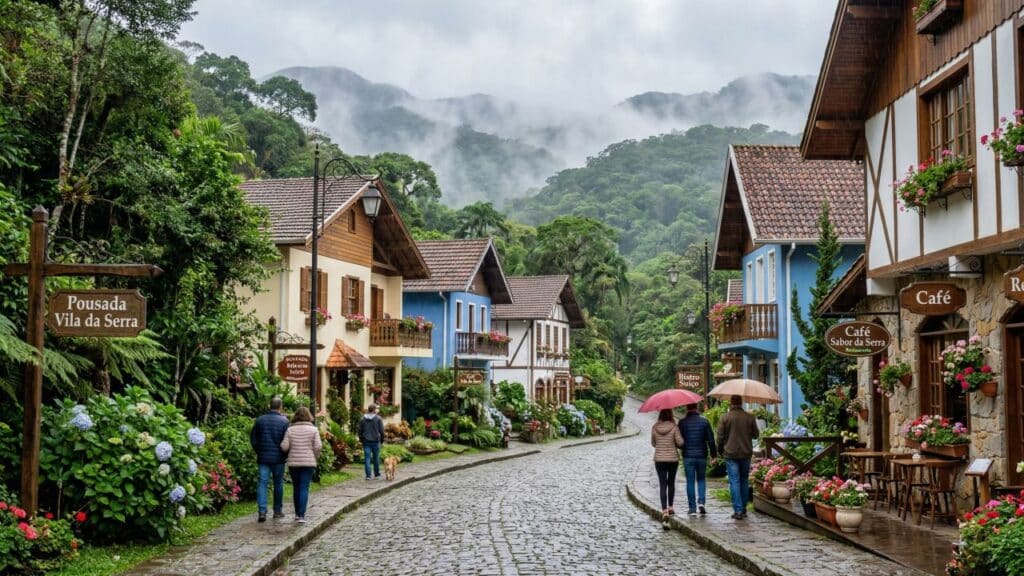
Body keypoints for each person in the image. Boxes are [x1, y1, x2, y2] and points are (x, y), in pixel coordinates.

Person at [716, 395, 759, 519]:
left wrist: (720, 450)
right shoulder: (749, 417)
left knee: (734, 481)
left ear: (731, 403)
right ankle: (744, 508)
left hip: (730, 453)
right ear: (741, 403)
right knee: (744, 480)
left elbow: (719, 437)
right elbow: (756, 435)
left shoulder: (725, 417)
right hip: (746, 452)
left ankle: (738, 510)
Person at [249, 397, 289, 523]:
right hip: (279, 459)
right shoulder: (284, 421)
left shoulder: (260, 420)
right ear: (280, 407)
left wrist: (259, 451)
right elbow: (287, 441)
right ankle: (277, 511)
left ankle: (262, 511)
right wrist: (285, 454)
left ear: (269, 406)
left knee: (262, 483)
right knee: (278, 484)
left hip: (263, 457)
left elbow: (253, 439)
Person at [280, 405, 322, 524]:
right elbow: (318, 446)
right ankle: (302, 515)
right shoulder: (314, 430)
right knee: (304, 487)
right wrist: (315, 457)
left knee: (296, 487)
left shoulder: (290, 429)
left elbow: (284, 446)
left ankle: (297, 514)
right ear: (309, 416)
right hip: (308, 463)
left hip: (294, 463)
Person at [678, 403, 717, 516]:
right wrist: (714, 455)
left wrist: (683, 448)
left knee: (690, 481)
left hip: (688, 456)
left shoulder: (682, 422)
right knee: (701, 479)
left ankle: (692, 508)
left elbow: (679, 440)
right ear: (696, 407)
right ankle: (701, 502)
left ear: (687, 408)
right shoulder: (704, 421)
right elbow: (711, 440)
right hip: (702, 455)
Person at [651, 408, 684, 520]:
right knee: (671, 483)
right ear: (671, 414)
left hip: (659, 460)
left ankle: (664, 510)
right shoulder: (674, 427)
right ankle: (670, 507)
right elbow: (680, 443)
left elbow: (653, 443)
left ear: (660, 415)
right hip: (672, 459)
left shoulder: (655, 427)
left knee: (662, 484)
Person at [358, 403, 385, 480]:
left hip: (366, 441)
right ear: (374, 410)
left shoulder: (362, 418)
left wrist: (361, 439)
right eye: (376, 409)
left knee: (367, 458)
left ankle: (368, 476)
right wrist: (382, 440)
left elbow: (359, 430)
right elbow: (382, 431)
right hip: (375, 441)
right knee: (376, 458)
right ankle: (377, 474)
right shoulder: (378, 418)